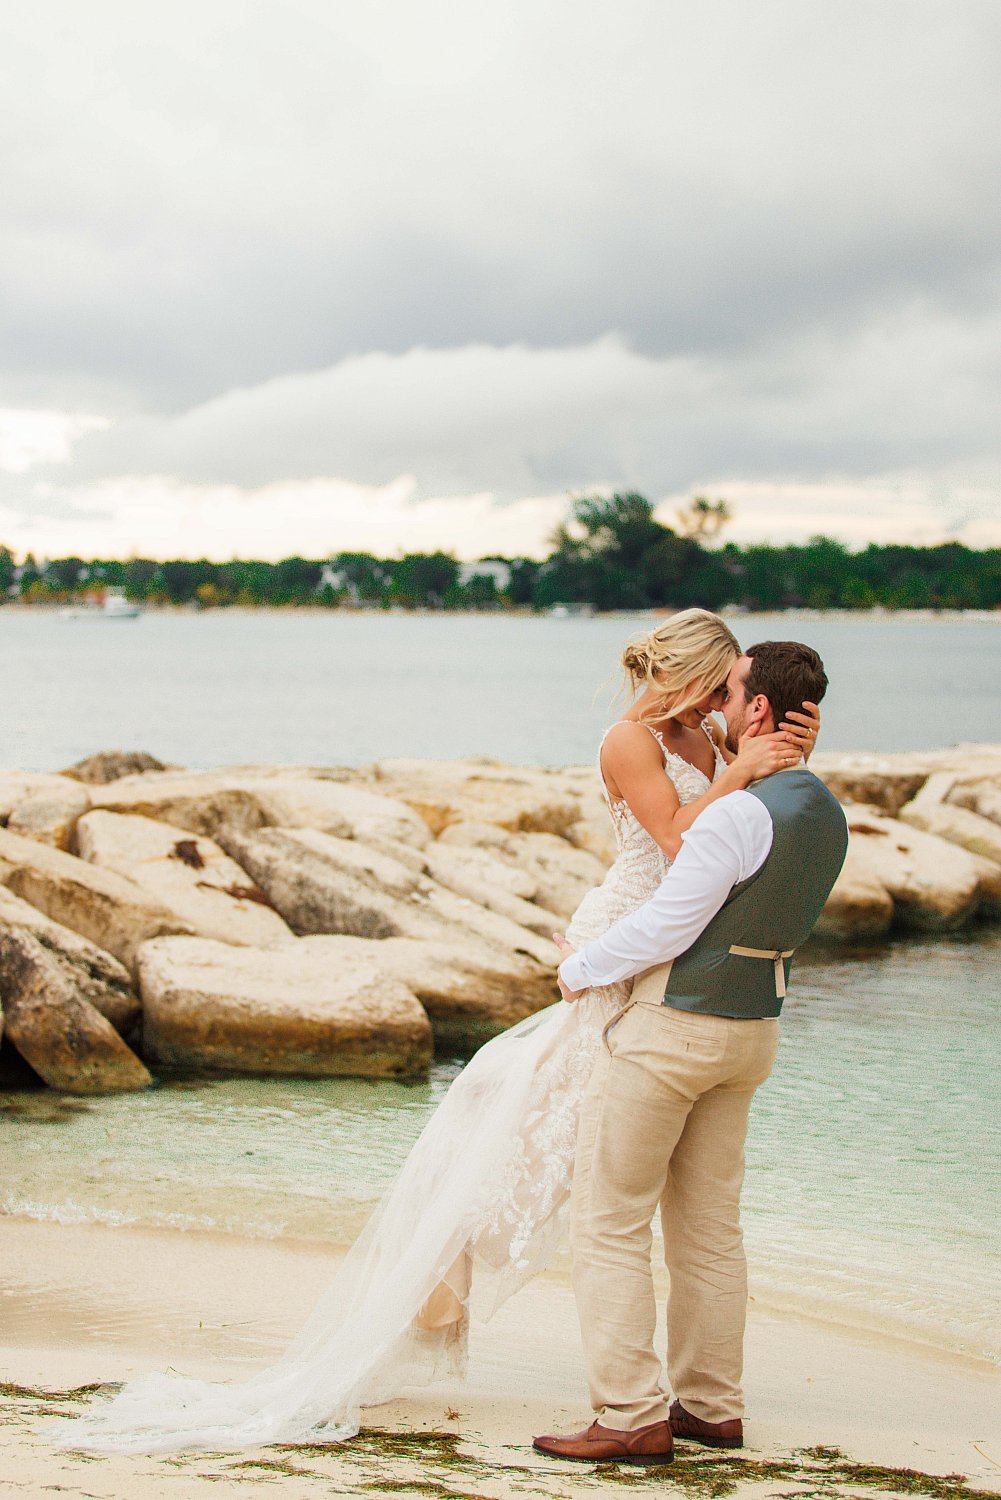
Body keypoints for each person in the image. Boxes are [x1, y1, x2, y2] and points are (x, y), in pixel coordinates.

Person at [52, 611, 820, 1455]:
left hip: (662, 961)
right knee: (535, 1138)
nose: (723, 703)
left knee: (566, 1145)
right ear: (690, 673)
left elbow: (747, 836)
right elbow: (680, 840)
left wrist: (768, 753)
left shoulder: (716, 738)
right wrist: (741, 770)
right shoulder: (628, 740)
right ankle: (454, 1297)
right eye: (718, 686)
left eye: (730, 694)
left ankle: (652, 1395)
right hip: (627, 947)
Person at [533, 641, 848, 1468]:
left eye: (731, 691)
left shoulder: (737, 812)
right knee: (709, 1231)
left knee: (608, 1223)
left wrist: (579, 966)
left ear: (754, 712)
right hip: (753, 1035)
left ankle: (631, 1414)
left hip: (671, 1033)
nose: (715, 703)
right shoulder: (819, 806)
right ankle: (711, 1406)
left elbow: (672, 920)